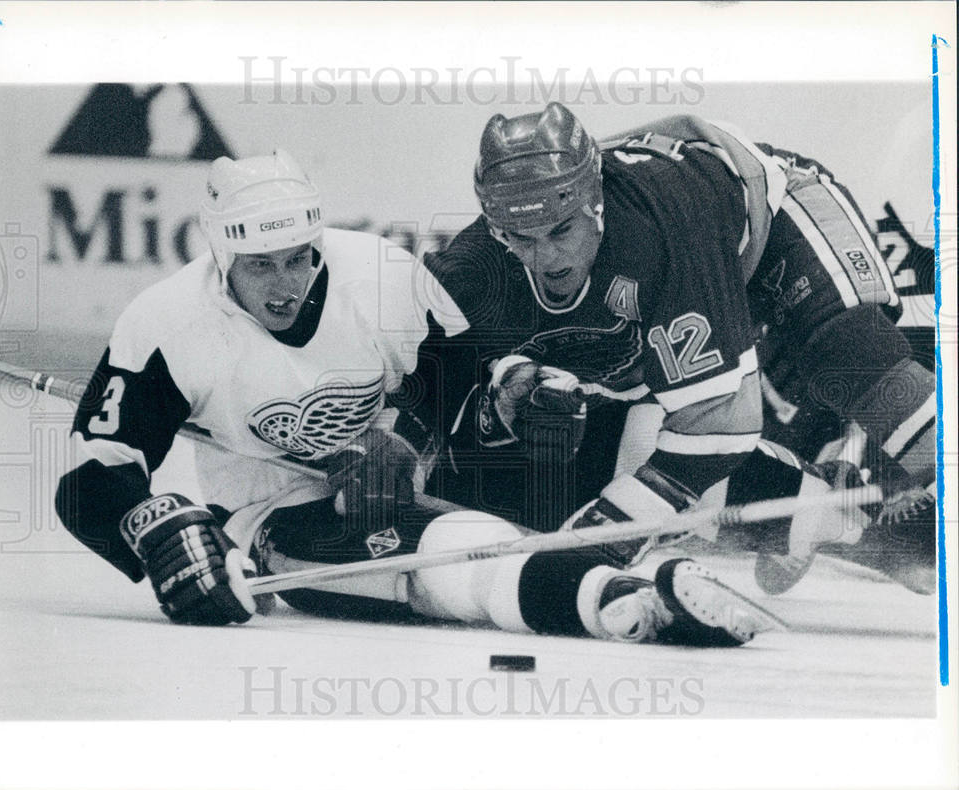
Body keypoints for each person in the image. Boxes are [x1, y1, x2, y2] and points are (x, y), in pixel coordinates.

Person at [53, 149, 774, 646]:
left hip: (428, 475)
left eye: (299, 258)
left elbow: (463, 370)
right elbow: (90, 480)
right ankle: (625, 604)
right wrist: (153, 529)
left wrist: (440, 425)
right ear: (219, 254)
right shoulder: (167, 326)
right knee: (457, 559)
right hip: (286, 515)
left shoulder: (381, 279)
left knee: (615, 418)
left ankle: (815, 513)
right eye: (260, 266)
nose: (287, 283)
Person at [401, 103, 935, 594]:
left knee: (852, 359)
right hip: (686, 271)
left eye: (561, 230)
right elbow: (418, 376)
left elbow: (722, 427)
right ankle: (829, 515)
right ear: (495, 226)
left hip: (772, 224)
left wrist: (611, 530)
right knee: (630, 439)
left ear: (595, 201)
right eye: (520, 237)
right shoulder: (475, 265)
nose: (545, 257)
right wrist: (395, 452)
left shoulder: (655, 229)